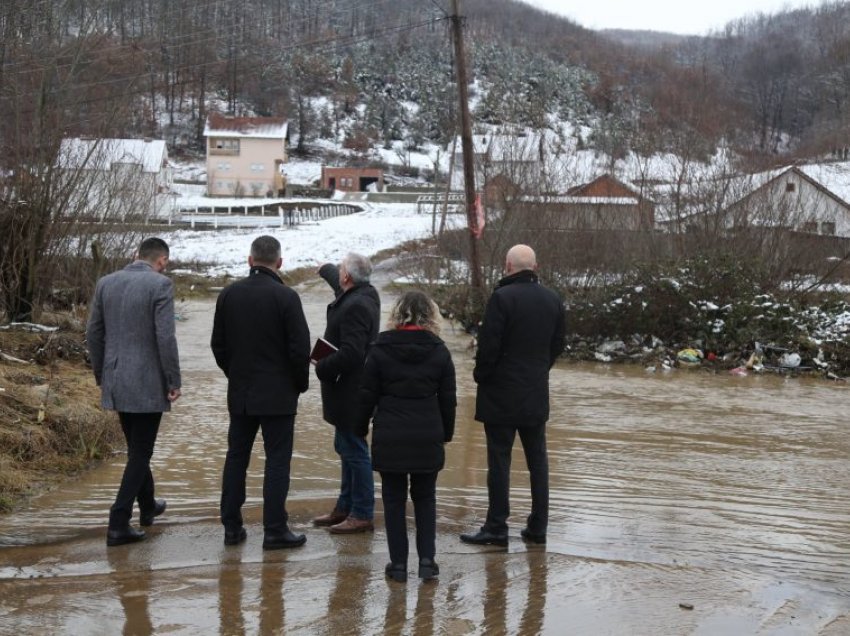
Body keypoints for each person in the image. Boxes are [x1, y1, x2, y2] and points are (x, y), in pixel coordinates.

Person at [460, 244, 566, 548]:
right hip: (535, 390)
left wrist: (481, 375)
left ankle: (496, 527)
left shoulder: (501, 298)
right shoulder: (552, 299)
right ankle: (538, 527)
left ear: (508, 265)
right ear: (536, 266)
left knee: (499, 460)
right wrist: (540, 368)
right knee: (538, 461)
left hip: (501, 393)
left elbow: (489, 346)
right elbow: (558, 342)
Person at [211, 235, 311, 550]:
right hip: (279, 395)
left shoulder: (228, 295)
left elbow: (218, 345)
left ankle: (231, 527)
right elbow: (300, 349)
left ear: (249, 259)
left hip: (240, 392)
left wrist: (235, 373)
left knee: (236, 458)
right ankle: (274, 530)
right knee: (277, 461)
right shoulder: (287, 297)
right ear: (279, 263)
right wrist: (299, 384)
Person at [87, 237, 181, 547]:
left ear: (135, 254)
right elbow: (165, 338)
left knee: (137, 449)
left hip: (115, 377)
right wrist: (173, 380)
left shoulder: (106, 282)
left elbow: (93, 333)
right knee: (141, 452)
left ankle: (149, 505)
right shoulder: (161, 285)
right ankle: (118, 521)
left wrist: (102, 374)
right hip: (147, 380)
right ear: (162, 261)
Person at [357, 291, 456, 583]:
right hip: (428, 434)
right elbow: (448, 400)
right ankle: (427, 561)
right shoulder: (440, 351)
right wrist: (445, 434)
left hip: (390, 434)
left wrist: (360, 427)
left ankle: (398, 565)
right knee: (426, 498)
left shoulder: (379, 349)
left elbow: (366, 396)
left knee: (393, 499)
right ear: (431, 316)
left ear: (397, 315)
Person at [312, 253, 380, 533]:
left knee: (354, 450)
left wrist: (321, 367)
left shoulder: (356, 306)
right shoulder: (363, 293)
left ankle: (362, 512)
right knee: (346, 447)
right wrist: (326, 268)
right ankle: (345, 507)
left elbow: (352, 352)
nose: (338, 273)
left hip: (352, 391)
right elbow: (339, 286)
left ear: (347, 277)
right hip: (351, 390)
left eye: (340, 269)